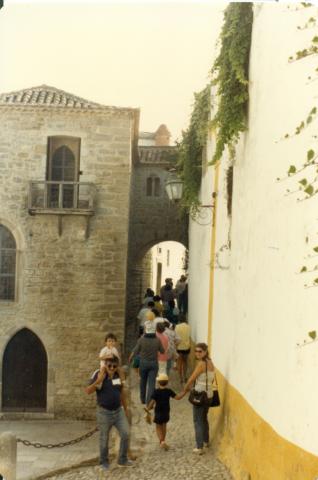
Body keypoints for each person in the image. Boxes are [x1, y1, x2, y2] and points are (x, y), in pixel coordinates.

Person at [85, 356, 133, 470]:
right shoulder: (98, 374)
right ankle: (103, 462)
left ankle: (122, 459)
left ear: (117, 366)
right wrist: (99, 380)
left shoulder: (118, 376)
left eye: (114, 366)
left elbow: (121, 393)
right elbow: (88, 391)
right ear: (105, 365)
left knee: (126, 433)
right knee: (104, 438)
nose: (111, 368)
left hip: (118, 411)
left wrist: (125, 409)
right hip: (104, 413)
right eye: (109, 365)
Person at [182, 343, 215, 454]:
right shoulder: (210, 362)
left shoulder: (201, 364)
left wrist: (185, 389)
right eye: (196, 351)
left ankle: (199, 446)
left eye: (200, 351)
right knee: (204, 418)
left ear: (205, 351)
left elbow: (192, 378)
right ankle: (206, 441)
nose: (197, 353)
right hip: (209, 394)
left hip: (200, 395)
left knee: (197, 420)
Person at [144, 373, 184, 450]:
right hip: (166, 412)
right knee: (164, 426)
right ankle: (163, 441)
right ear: (167, 382)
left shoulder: (156, 391)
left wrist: (148, 409)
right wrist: (185, 392)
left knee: (158, 426)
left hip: (158, 411)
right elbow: (178, 397)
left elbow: (152, 401)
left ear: (158, 382)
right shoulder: (169, 391)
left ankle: (162, 442)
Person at [129, 322, 164, 405]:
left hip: (143, 363)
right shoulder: (157, 340)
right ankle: (149, 401)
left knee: (143, 381)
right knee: (152, 383)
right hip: (154, 363)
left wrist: (130, 357)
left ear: (146, 331)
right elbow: (162, 351)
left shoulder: (141, 340)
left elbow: (136, 350)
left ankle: (142, 399)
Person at [175, 314, 191, 383]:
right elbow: (189, 336)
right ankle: (185, 377)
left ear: (179, 319)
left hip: (179, 347)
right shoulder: (188, 327)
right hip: (186, 347)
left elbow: (176, 337)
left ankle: (180, 378)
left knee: (179, 363)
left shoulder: (177, 327)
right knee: (185, 362)